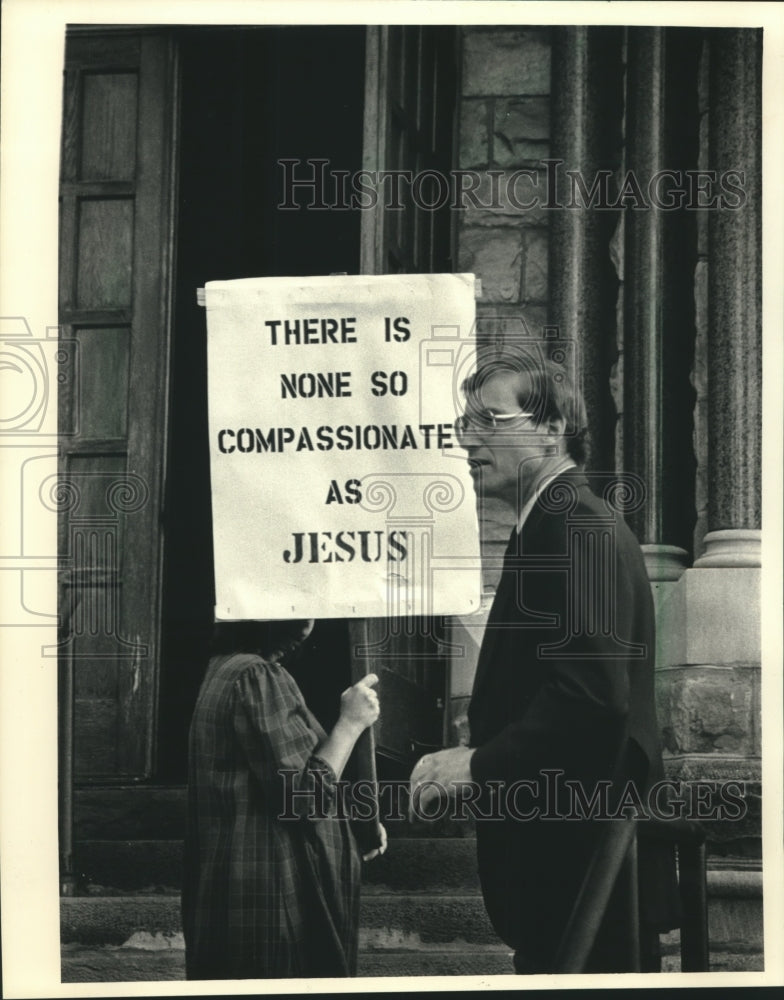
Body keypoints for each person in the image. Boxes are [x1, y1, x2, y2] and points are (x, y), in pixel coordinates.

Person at [410, 349, 679, 973]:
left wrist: (478, 765)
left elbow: (591, 694)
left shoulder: (574, 523)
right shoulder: (550, 525)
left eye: (491, 420)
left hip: (586, 870)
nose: (467, 438)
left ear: (553, 428)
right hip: (568, 868)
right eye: (463, 422)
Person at [182, 618, 386, 980]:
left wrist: (355, 822)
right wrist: (351, 724)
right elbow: (303, 800)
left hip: (243, 892)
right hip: (273, 899)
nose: (308, 624)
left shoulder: (225, 669)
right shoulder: (257, 676)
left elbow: (279, 778)